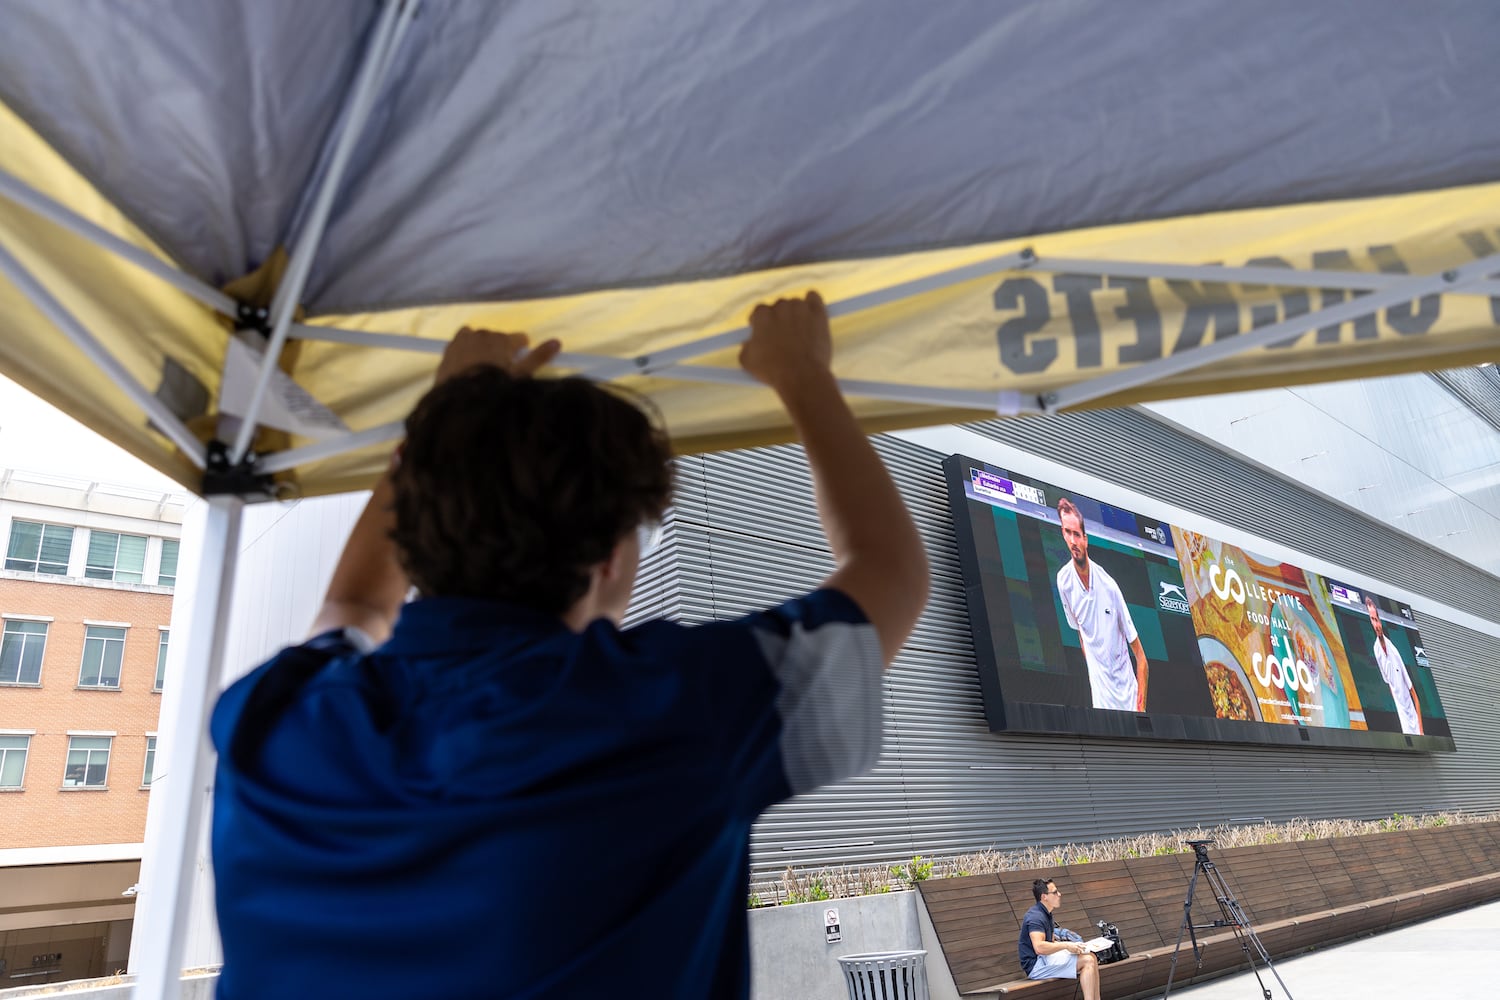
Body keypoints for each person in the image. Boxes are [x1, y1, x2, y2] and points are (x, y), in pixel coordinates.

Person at [207, 292, 929, 999]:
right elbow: (891, 573)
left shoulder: (272, 713)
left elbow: (356, 602)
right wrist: (803, 374)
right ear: (612, 558)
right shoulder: (669, 710)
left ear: (414, 534)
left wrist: (449, 422)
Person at [1054, 497, 1149, 711]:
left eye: (1076, 534)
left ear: (1085, 539)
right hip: (1102, 707)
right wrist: (1095, 669)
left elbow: (1142, 659)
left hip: (1130, 704)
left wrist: (1140, 711)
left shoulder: (1110, 587)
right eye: (1067, 533)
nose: (1072, 541)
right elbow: (1080, 629)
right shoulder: (1063, 581)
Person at [1018, 877, 1100, 1000]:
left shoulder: (1047, 914)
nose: (1059, 894)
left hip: (1045, 959)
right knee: (1087, 961)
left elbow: (1051, 942)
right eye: (1055, 892)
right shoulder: (1035, 917)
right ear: (1044, 897)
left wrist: (1073, 947)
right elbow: (1039, 947)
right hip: (1036, 965)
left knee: (1091, 956)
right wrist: (1066, 945)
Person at [1366, 594, 1422, 735]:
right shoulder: (1376, 650)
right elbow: (1389, 684)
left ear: (1380, 620)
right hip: (1403, 720)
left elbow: (1414, 694)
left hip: (1414, 719)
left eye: (1377, 619)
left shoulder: (1395, 652)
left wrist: (1421, 730)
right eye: (1372, 620)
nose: (1376, 624)